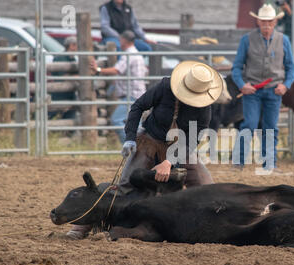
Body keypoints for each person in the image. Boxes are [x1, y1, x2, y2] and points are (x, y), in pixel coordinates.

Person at [66, 61, 219, 239]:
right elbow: (138, 106)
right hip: (150, 140)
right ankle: (81, 226)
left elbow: (194, 138)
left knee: (207, 187)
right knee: (123, 187)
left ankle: (213, 228)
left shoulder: (204, 107)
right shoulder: (165, 86)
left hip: (180, 146)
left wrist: (170, 161)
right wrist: (130, 138)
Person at [231, 3, 294, 171]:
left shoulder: (284, 40)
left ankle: (270, 164)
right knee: (249, 124)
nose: (266, 25)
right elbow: (237, 67)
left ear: (275, 22)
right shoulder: (247, 40)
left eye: (270, 22)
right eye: (263, 21)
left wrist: (285, 85)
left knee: (270, 127)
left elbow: (291, 67)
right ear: (258, 22)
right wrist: (242, 85)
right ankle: (238, 163)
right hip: (252, 90)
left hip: (274, 90)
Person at [90, 30, 146, 143]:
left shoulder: (128, 55)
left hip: (131, 95)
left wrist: (98, 70)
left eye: (120, 40)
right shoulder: (137, 54)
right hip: (138, 94)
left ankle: (130, 145)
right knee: (137, 124)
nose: (119, 42)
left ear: (124, 40)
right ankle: (140, 148)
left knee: (116, 120)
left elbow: (117, 70)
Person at [49, 36, 78, 120]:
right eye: (76, 45)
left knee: (71, 111)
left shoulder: (71, 58)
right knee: (55, 111)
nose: (77, 48)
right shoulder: (60, 57)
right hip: (59, 92)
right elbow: (63, 76)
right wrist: (79, 76)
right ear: (71, 45)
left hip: (68, 92)